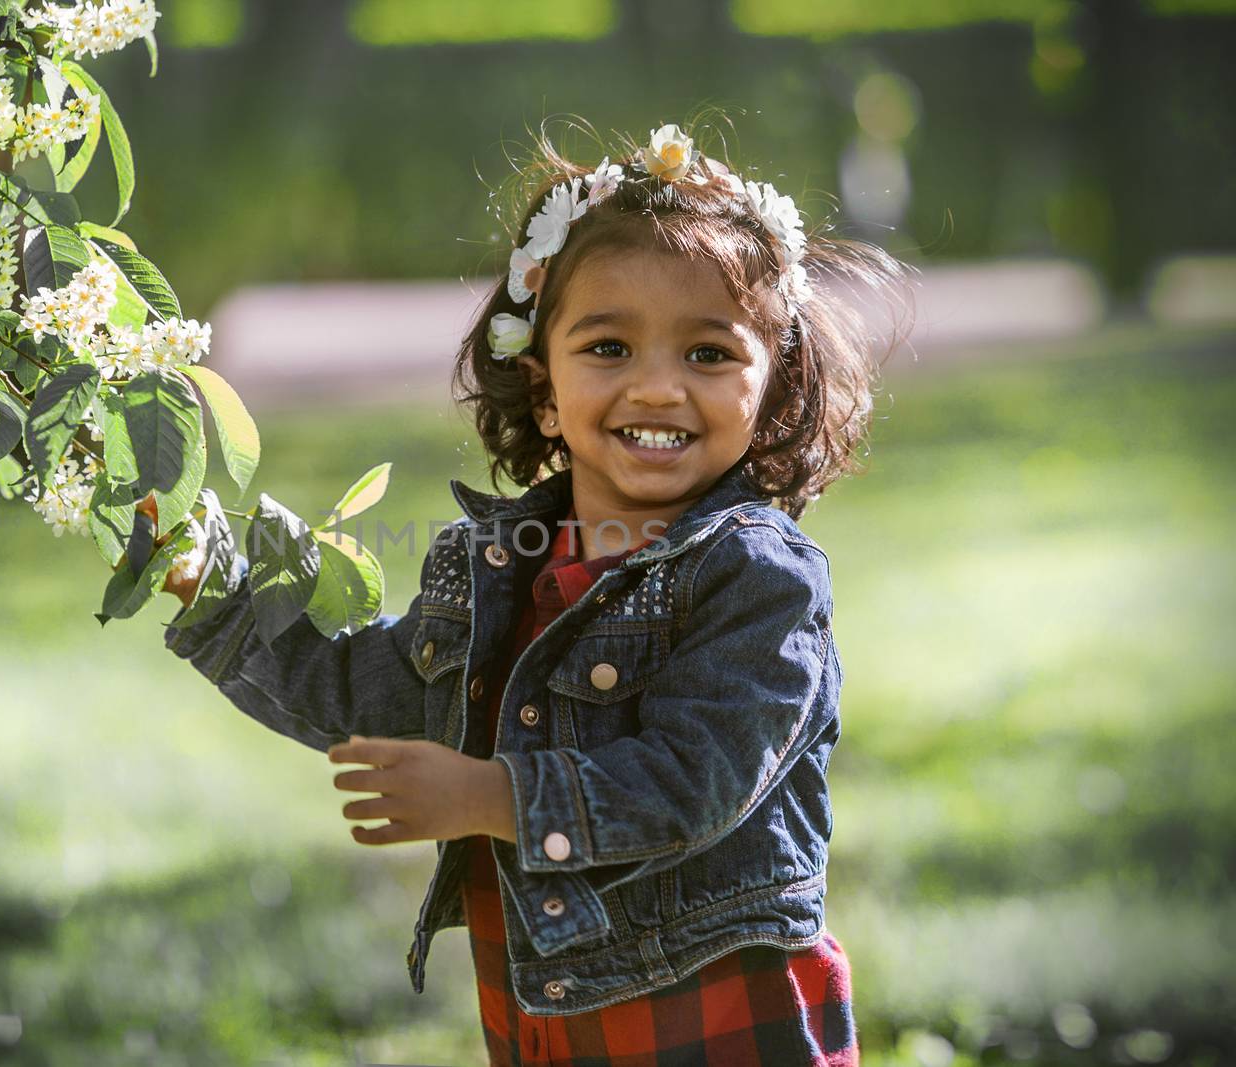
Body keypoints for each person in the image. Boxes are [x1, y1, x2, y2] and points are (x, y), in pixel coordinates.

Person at [161, 116, 913, 1066]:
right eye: (608, 348)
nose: (657, 388)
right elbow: (372, 688)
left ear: (772, 388)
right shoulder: (501, 564)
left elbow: (698, 780)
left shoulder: (755, 575)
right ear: (545, 387)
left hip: (721, 1025)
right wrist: (216, 596)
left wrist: (491, 795)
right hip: (555, 1020)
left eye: (709, 354)